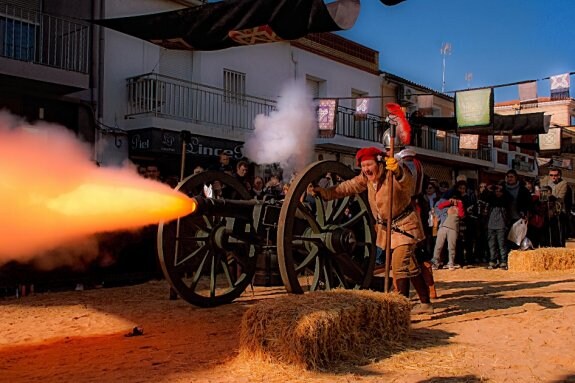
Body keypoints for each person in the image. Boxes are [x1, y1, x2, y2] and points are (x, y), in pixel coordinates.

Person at [314, 146, 433, 314]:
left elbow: (407, 183)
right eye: (363, 166)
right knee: (411, 267)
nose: (366, 169)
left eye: (369, 165)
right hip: (387, 229)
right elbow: (348, 187)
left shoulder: (393, 174)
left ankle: (400, 310)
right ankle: (426, 304)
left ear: (379, 163)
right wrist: (326, 193)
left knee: (398, 266)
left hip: (405, 226)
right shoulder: (367, 179)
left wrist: (398, 171)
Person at [431, 190, 465, 271]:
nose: (454, 200)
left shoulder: (459, 205)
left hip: (453, 228)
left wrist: (459, 203)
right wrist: (448, 202)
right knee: (438, 246)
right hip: (443, 226)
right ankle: (435, 262)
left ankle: (451, 263)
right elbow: (439, 207)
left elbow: (461, 215)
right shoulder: (446, 205)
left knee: (451, 247)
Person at [484, 181, 511, 269]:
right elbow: (483, 197)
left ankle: (503, 261)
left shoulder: (505, 200)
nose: (497, 192)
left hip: (501, 225)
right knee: (492, 245)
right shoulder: (491, 199)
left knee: (502, 245)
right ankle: (493, 261)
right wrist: (488, 189)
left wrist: (503, 189)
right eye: (496, 191)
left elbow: (509, 198)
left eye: (500, 191)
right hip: (490, 225)